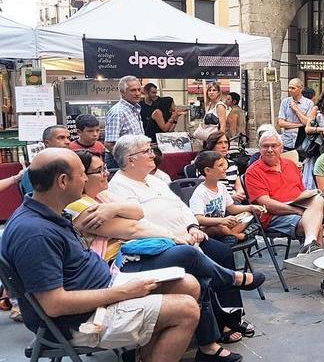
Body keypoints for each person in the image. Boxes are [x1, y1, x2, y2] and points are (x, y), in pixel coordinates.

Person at [1, 148, 200, 362]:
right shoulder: (35, 233)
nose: (86, 179)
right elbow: (54, 304)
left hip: (102, 290)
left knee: (188, 283)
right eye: (82, 174)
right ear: (62, 181)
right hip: (79, 320)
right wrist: (123, 292)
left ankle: (144, 356)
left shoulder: (51, 212)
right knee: (186, 310)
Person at [65, 150, 262, 355]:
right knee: (188, 255)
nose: (106, 173)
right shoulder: (83, 204)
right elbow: (133, 228)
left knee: (206, 267)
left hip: (146, 248)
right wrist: (172, 237)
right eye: (99, 170)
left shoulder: (105, 194)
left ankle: (213, 338)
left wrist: (113, 209)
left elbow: (137, 212)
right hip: (119, 264)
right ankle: (232, 281)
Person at [244, 127, 324, 297]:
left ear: (281, 148)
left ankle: (309, 243)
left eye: (274, 146)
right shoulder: (253, 172)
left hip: (298, 207)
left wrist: (307, 200)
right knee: (317, 225)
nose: (270, 149)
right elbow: (267, 205)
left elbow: (300, 192)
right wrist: (299, 211)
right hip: (274, 216)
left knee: (319, 199)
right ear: (259, 148)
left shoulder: (290, 165)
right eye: (265, 146)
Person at [190, 150, 266, 245]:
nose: (225, 168)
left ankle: (230, 237)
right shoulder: (200, 192)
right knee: (219, 227)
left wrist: (251, 207)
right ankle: (239, 236)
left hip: (223, 224)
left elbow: (232, 208)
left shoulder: (221, 186)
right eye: (220, 165)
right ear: (207, 171)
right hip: (207, 229)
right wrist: (222, 220)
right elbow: (198, 219)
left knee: (247, 214)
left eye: (224, 164)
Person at [105, 76, 145, 169]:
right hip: (121, 163)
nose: (137, 93)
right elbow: (110, 144)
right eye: (133, 90)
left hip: (134, 159)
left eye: (139, 90)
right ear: (122, 92)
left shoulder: (134, 109)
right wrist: (126, 162)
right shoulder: (118, 112)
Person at [20, 125, 71, 195]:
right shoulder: (36, 169)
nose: (67, 141)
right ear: (47, 143)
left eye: (68, 138)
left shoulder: (71, 164)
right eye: (61, 138)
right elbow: (35, 200)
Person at [203, 132, 246, 203]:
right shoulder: (205, 164)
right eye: (219, 143)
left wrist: (239, 194)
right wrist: (230, 198)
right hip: (215, 202)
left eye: (226, 142)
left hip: (235, 201)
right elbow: (207, 191)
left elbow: (239, 187)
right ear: (212, 146)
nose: (224, 146)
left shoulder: (232, 164)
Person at [277, 78, 314, 152]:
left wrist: (296, 109)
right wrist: (300, 124)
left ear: (300, 89)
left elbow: (308, 123)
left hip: (302, 141)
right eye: (289, 87)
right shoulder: (285, 102)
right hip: (287, 141)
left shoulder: (309, 103)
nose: (290, 90)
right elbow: (281, 123)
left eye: (293, 88)